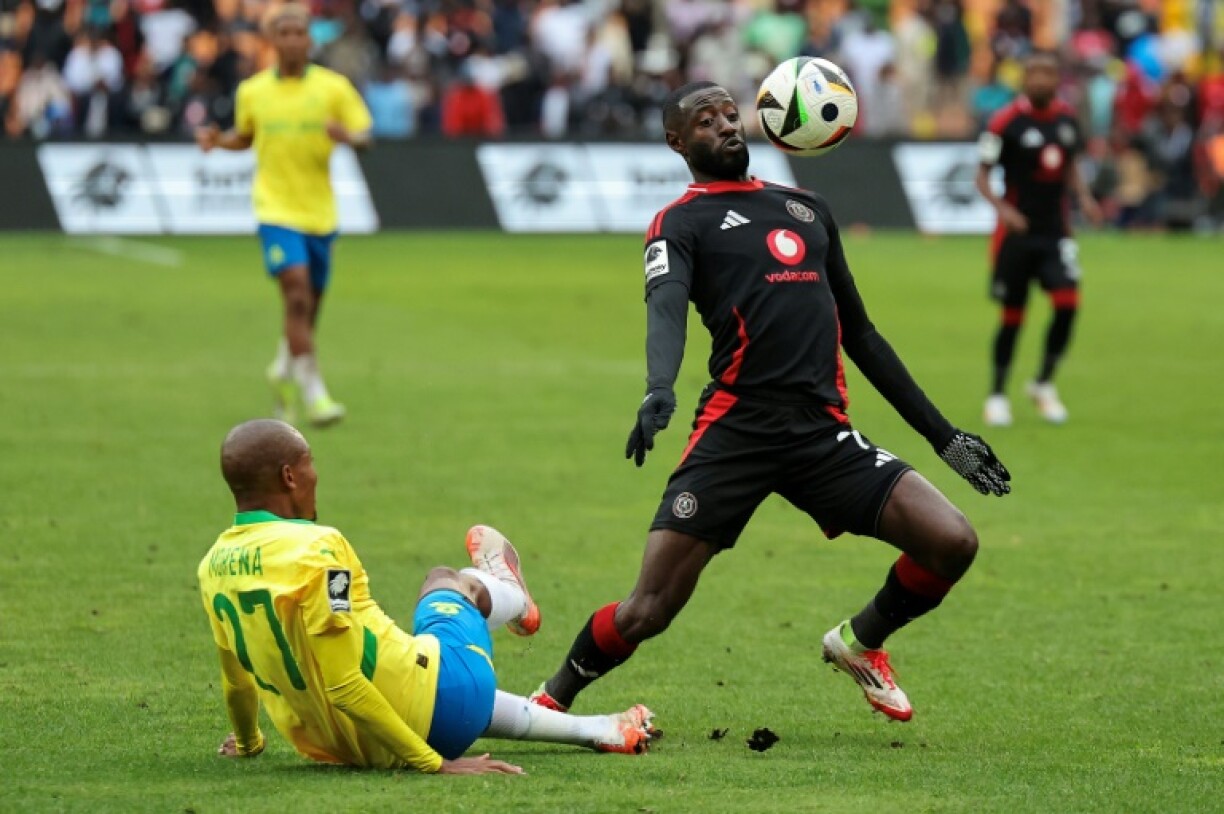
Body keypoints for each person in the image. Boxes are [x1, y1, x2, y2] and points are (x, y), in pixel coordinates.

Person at [529, 81, 1010, 724]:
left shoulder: (806, 209)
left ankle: (861, 642)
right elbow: (665, 308)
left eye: (732, 115)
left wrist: (944, 436)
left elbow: (861, 334)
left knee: (952, 541)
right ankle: (550, 700)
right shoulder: (680, 222)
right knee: (649, 608)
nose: (727, 126)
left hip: (821, 434)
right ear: (677, 142)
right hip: (737, 431)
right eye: (707, 121)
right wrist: (659, 387)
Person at [199, 419, 658, 774]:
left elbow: (237, 681)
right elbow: (343, 683)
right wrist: (435, 763)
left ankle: (596, 729)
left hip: (349, 745)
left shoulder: (213, 566)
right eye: (309, 463)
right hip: (436, 713)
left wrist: (247, 742)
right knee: (444, 583)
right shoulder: (320, 551)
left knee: (431, 659)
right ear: (290, 477)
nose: (315, 473)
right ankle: (510, 594)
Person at [195, 3, 371, 427]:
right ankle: (316, 395)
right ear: (272, 41)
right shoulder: (253, 91)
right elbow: (248, 137)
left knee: (308, 307)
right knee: (295, 293)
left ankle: (283, 367)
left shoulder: (333, 88)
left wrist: (346, 136)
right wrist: (221, 142)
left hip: (320, 214)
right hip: (275, 209)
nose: (292, 40)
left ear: (309, 39)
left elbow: (366, 136)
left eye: (298, 32)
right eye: (284, 33)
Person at [975, 50, 1102, 427]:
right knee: (1013, 316)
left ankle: (1043, 384)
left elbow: (1071, 165)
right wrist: (1005, 211)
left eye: (1049, 73)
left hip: (1055, 232)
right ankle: (997, 395)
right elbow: (980, 176)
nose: (1042, 80)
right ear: (1024, 80)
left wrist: (1085, 198)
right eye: (1035, 74)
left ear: (1057, 79)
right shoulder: (1004, 123)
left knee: (1068, 303)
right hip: (1016, 236)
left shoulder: (1067, 120)